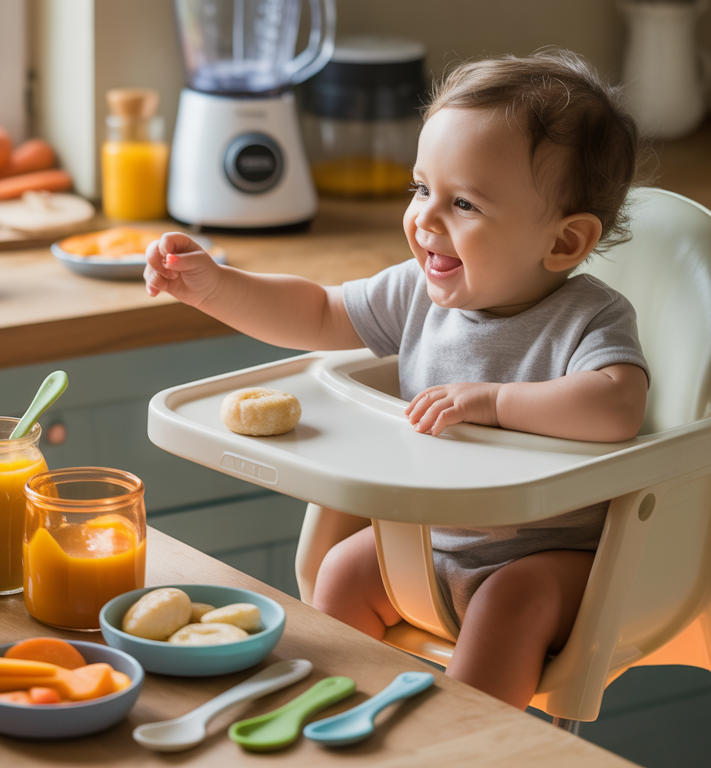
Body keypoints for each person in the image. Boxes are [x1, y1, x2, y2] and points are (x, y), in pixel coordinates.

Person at [143, 49, 649, 709]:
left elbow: (617, 405)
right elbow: (316, 312)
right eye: (421, 189)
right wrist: (215, 286)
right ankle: (342, 715)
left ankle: (466, 745)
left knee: (511, 602)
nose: (424, 219)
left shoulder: (588, 317)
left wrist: (493, 402)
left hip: (550, 556)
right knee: (344, 570)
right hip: (432, 538)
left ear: (562, 243)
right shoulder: (418, 294)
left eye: (462, 202)